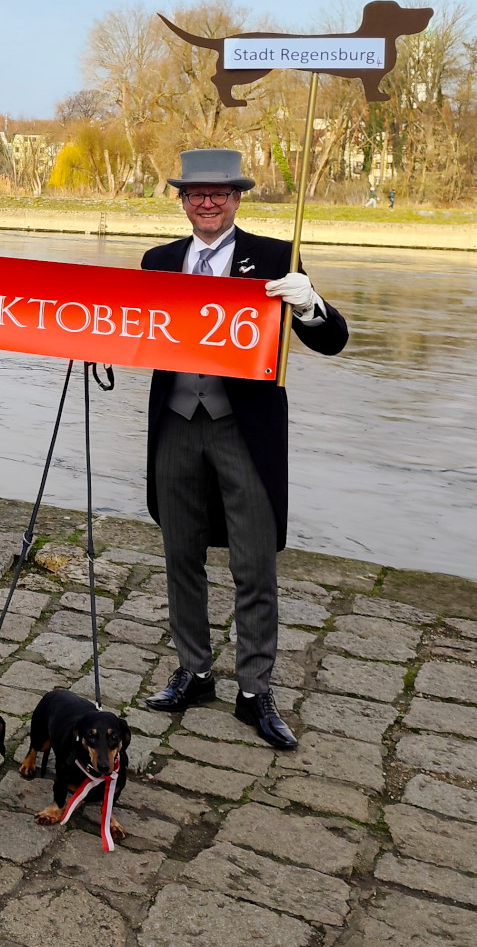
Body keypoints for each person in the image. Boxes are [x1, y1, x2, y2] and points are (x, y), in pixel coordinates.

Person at [139, 148, 348, 750]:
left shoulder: (279, 257)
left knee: (254, 564)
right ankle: (194, 671)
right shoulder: (157, 262)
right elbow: (125, 328)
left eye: (220, 193)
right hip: (175, 425)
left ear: (236, 198)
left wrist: (309, 305)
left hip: (243, 430)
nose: (207, 202)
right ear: (181, 200)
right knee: (181, 557)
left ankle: (255, 690)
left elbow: (332, 340)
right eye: (195, 193)